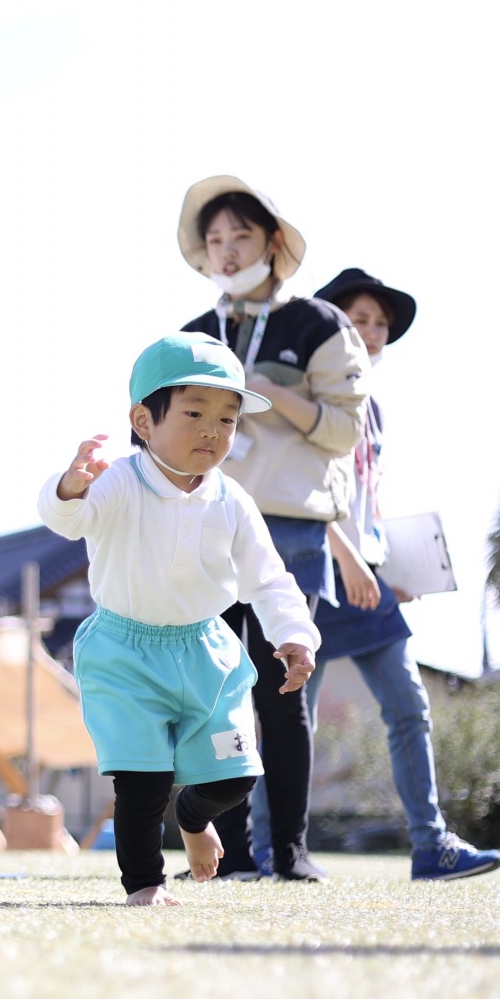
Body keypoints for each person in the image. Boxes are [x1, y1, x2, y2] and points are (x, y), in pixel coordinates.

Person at [41, 333, 319, 904]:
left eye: (227, 419)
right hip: (124, 651)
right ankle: (144, 885)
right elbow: (69, 519)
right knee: (141, 783)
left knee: (236, 776)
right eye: (194, 413)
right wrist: (70, 487)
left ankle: (193, 821)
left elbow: (266, 577)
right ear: (144, 421)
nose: (212, 431)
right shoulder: (119, 478)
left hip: (205, 650)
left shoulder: (231, 499)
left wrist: (293, 636)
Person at [178, 177, 368, 881]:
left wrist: (264, 389)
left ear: (274, 244)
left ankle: (288, 853)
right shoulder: (196, 333)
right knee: (213, 693)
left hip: (289, 528)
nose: (226, 252)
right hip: (206, 526)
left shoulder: (318, 323)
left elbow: (346, 429)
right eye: (215, 240)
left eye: (241, 238)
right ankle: (228, 856)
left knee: (283, 693)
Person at [306, 268, 500, 881]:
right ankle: (267, 849)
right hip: (310, 570)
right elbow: (297, 491)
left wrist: (385, 565)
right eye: (358, 318)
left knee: (409, 706)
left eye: (380, 324)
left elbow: (368, 497)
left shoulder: (376, 411)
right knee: (289, 720)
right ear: (331, 324)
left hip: (365, 575)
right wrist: (345, 556)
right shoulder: (310, 397)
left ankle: (431, 845)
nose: (369, 331)